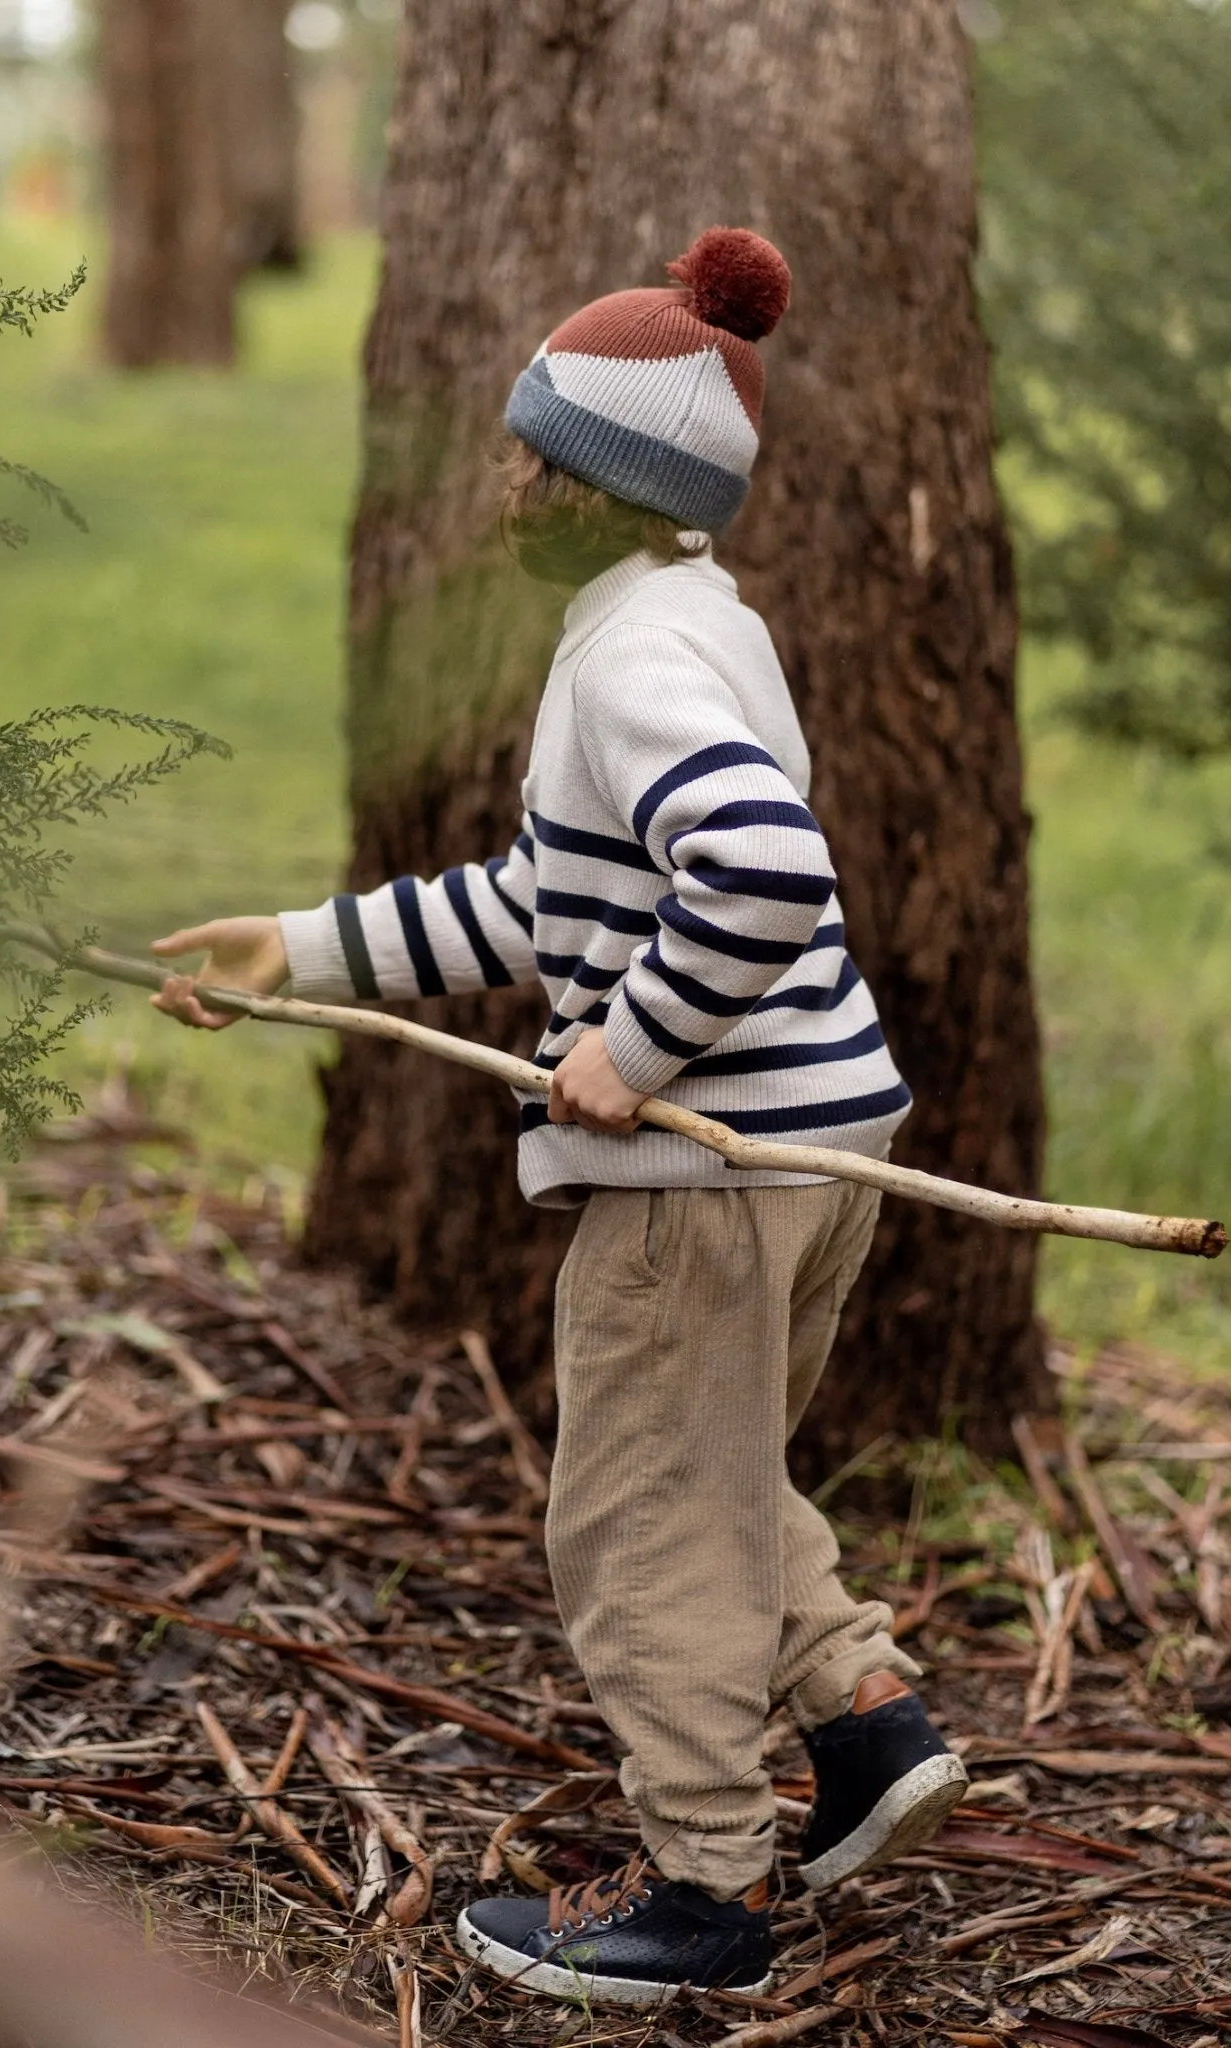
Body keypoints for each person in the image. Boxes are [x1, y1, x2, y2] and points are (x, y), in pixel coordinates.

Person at [151, 227, 968, 2009]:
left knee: (639, 1523)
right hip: (827, 1142)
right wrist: (299, 951)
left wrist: (646, 1046)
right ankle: (861, 1721)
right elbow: (547, 900)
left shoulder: (627, 666)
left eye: (535, 458)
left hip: (707, 1173)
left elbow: (757, 864)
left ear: (610, 488)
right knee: (714, 1472)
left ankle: (701, 1897)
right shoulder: (690, 625)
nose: (505, 483)